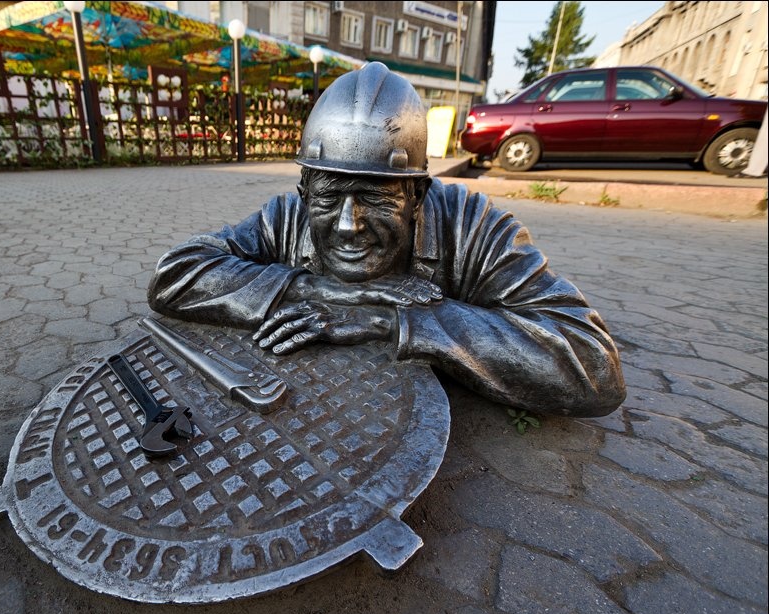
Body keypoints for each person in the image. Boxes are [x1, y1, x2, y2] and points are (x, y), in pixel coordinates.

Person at [148, 63, 625, 417]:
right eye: (330, 197)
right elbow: (176, 274)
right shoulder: (288, 215)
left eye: (375, 198)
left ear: (417, 193)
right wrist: (325, 290)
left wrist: (395, 318)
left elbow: (594, 366)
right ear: (305, 191)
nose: (347, 223)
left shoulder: (476, 227)